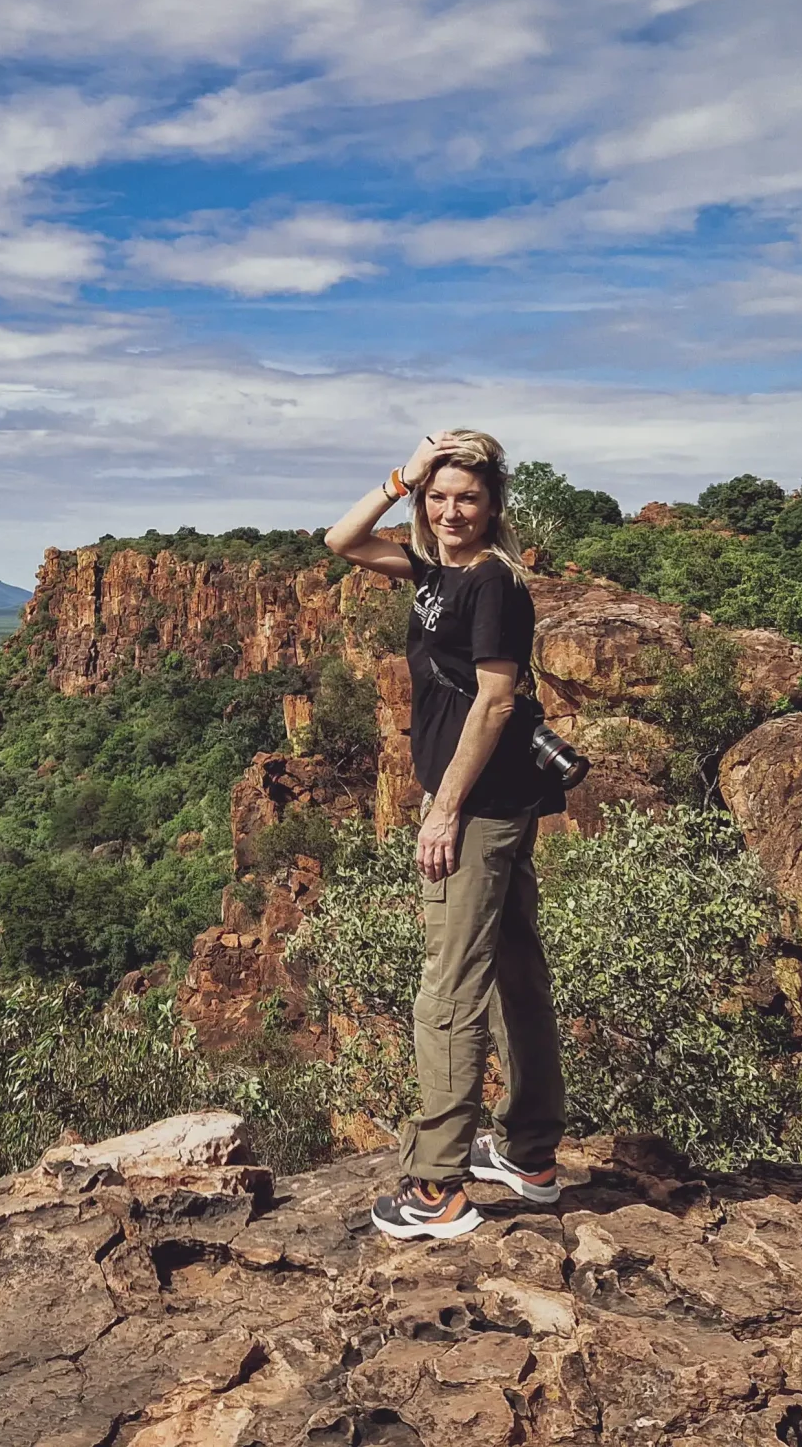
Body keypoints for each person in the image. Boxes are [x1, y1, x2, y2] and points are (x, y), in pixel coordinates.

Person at [324, 430, 568, 1240]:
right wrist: (405, 473)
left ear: (494, 505)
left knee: (449, 991)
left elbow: (495, 701)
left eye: (468, 497)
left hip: (479, 807)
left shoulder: (494, 584)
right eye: (440, 498)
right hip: (492, 804)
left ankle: (436, 1187)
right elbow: (342, 540)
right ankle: (530, 1153)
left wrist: (443, 809)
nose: (451, 510)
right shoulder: (437, 574)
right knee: (514, 972)